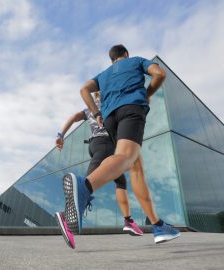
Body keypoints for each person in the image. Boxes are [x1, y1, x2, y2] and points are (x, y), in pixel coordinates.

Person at [56, 44, 180, 248]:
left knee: (136, 166)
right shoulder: (137, 60)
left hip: (110, 118)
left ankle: (157, 225)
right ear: (126, 54)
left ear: (111, 59)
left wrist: (96, 113)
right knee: (126, 157)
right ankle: (84, 188)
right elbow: (160, 74)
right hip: (131, 109)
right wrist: (148, 94)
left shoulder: (103, 74)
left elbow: (83, 89)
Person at [54, 92, 143, 249]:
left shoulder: (90, 108)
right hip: (105, 144)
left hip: (96, 144)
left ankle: (128, 220)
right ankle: (66, 217)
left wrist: (61, 134)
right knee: (86, 185)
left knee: (120, 180)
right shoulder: (110, 104)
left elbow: (74, 117)